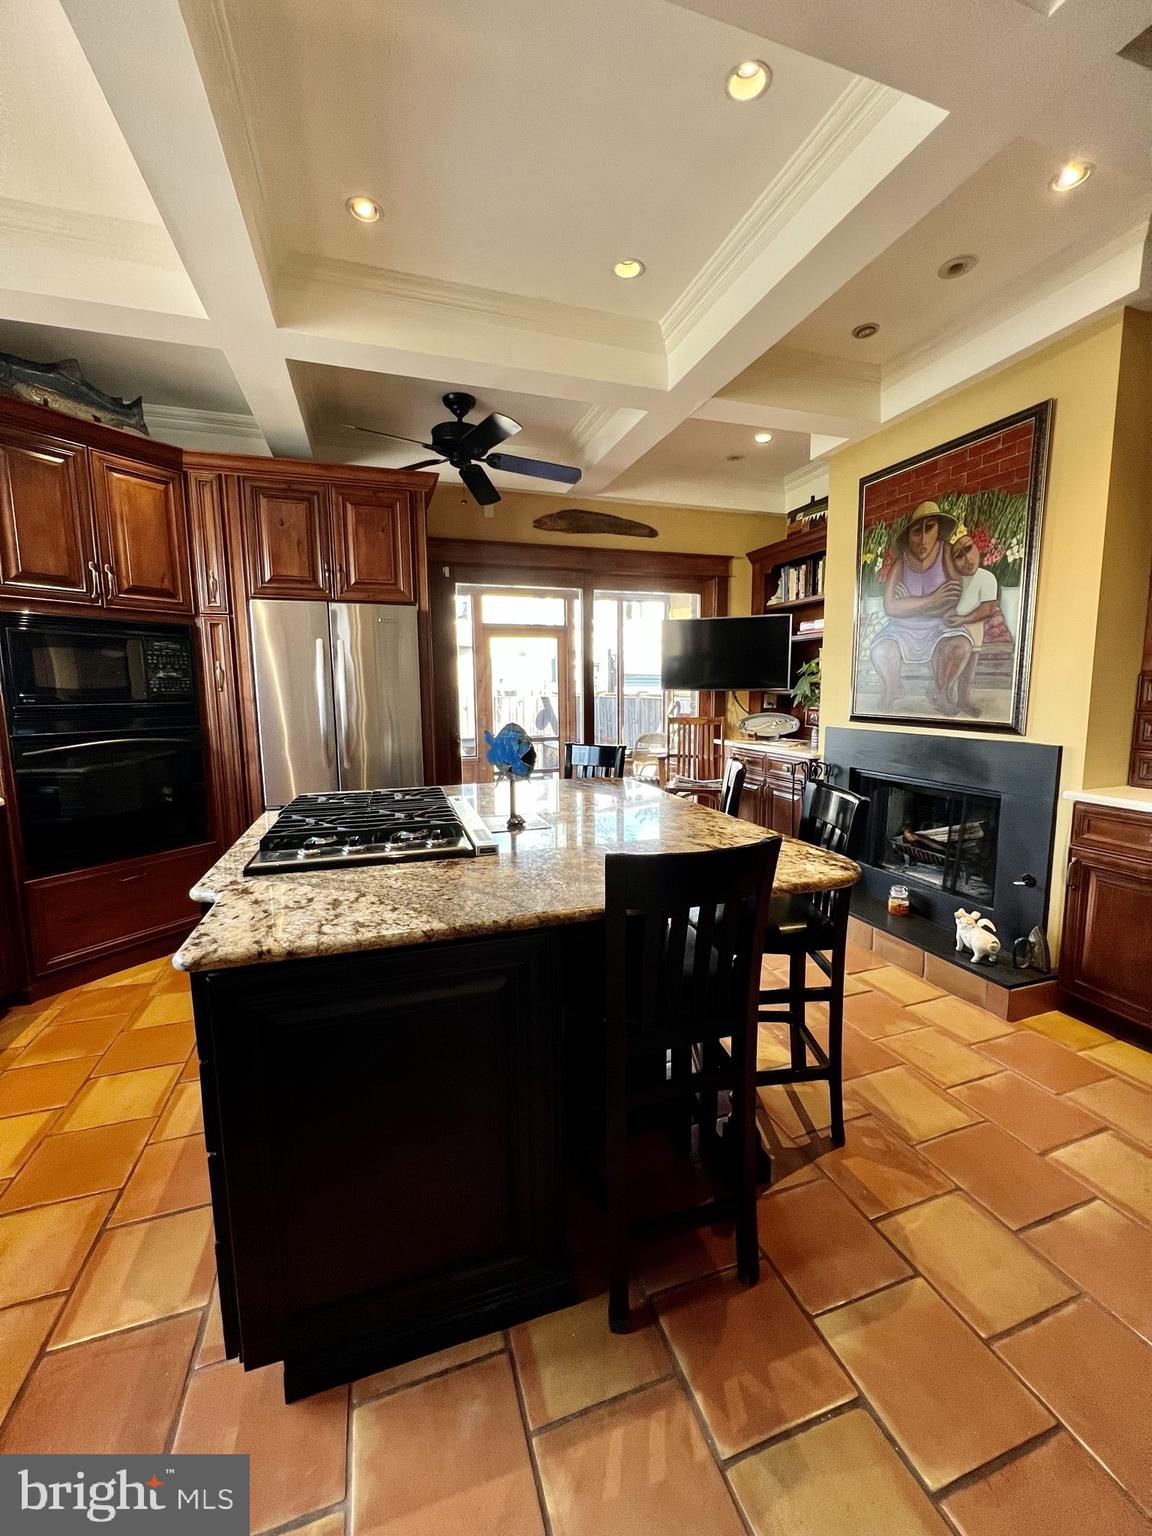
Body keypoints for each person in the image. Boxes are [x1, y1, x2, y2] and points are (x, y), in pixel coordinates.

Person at [868, 502, 971, 716]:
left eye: (929, 528)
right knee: (881, 650)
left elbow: (952, 599)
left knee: (960, 645)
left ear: (938, 530)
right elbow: (890, 607)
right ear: (908, 536)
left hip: (939, 627)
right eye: (917, 531)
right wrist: (932, 600)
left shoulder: (946, 552)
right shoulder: (901, 562)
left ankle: (942, 692)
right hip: (901, 629)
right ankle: (892, 688)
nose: (923, 538)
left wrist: (910, 605)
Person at [942, 533, 1010, 718]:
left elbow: (987, 608)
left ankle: (963, 699)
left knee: (969, 669)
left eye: (969, 549)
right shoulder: (949, 578)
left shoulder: (987, 578)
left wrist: (963, 620)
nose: (968, 559)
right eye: (959, 556)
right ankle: (944, 695)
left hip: (972, 628)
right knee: (948, 664)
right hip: (947, 629)